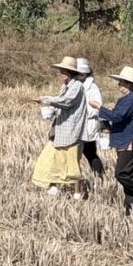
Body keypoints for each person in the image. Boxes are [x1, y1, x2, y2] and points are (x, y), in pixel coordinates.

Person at [92, 66, 133, 213]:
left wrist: (100, 107)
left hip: (130, 141)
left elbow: (116, 116)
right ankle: (129, 208)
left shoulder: (132, 98)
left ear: (130, 84)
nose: (119, 85)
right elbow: (119, 117)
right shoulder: (129, 99)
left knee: (122, 174)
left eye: (122, 82)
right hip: (124, 140)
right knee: (128, 175)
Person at [30, 56, 89, 199]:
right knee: (50, 158)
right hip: (61, 129)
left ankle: (77, 193)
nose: (62, 73)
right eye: (61, 70)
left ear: (71, 72)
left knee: (72, 165)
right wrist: (50, 109)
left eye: (65, 71)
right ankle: (53, 187)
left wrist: (45, 99)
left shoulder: (77, 86)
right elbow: (62, 105)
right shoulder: (66, 86)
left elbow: (66, 102)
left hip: (72, 132)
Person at [75, 58, 105, 181]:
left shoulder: (92, 87)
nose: (78, 75)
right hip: (77, 125)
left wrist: (82, 112)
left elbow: (98, 107)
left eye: (81, 73)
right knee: (79, 153)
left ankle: (99, 176)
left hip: (88, 124)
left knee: (90, 152)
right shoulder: (75, 85)